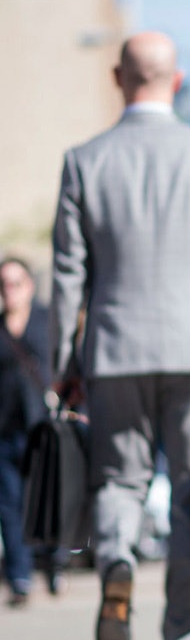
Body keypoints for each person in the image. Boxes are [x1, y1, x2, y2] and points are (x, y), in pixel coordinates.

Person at [50, 31, 190, 640]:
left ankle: (116, 558)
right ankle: (180, 639)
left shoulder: (84, 160)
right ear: (176, 83)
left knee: (119, 478)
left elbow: (67, 276)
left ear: (119, 79)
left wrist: (67, 362)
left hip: (114, 348)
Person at [0, 257, 50, 605]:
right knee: (9, 504)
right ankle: (20, 576)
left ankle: (54, 563)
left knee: (45, 499)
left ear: (30, 286)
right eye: (4, 284)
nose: (9, 291)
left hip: (43, 428)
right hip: (4, 430)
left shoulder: (47, 323)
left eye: (16, 283)